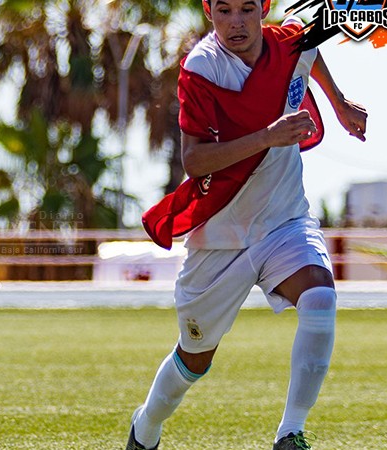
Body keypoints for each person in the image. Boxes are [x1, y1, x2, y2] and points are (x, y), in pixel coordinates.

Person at [132, 1, 368, 449]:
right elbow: (194, 160)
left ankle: (290, 433)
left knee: (319, 298)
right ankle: (145, 427)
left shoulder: (291, 40)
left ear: (264, 8)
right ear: (209, 12)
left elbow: (310, 52)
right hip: (220, 237)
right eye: (224, 10)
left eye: (246, 8)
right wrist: (268, 136)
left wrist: (338, 104)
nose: (236, 22)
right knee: (194, 360)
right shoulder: (202, 66)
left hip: (285, 221)